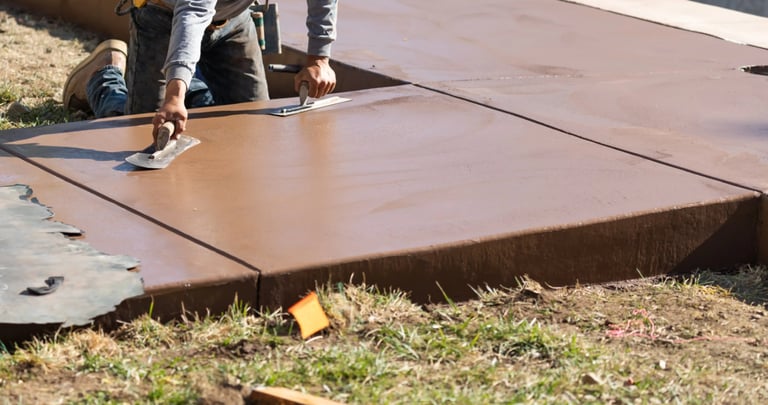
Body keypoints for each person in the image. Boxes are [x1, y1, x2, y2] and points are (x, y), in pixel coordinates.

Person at [63, 0, 337, 141]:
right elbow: (192, 13)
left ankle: (186, 89)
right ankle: (102, 76)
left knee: (251, 127)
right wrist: (173, 96)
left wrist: (319, 58)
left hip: (233, 19)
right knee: (142, 128)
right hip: (163, 16)